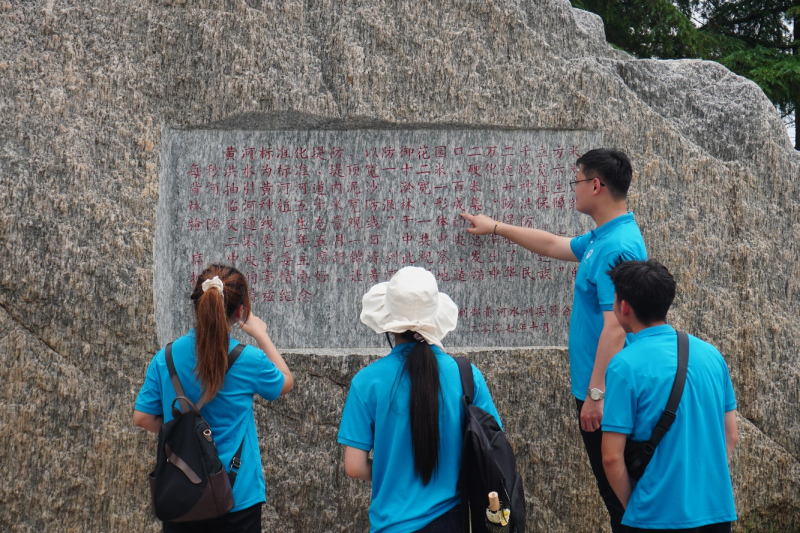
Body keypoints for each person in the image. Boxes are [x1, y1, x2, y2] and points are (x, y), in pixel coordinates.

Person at [461, 148, 646, 531]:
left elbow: (616, 326)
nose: (572, 188)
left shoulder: (618, 245)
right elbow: (554, 245)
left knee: (620, 493)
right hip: (599, 389)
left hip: (608, 392)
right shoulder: (603, 237)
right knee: (615, 490)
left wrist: (596, 395)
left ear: (596, 185)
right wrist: (496, 227)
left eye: (576, 180)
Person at [337, 266, 502, 533]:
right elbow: (491, 449)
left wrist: (394, 472)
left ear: (389, 322)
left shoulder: (366, 382)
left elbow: (354, 467)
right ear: (435, 318)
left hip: (391, 525)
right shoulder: (467, 376)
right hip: (455, 523)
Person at [133, 263, 293, 533]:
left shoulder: (165, 358)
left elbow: (142, 417)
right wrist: (261, 335)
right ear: (240, 311)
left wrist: (187, 434)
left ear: (198, 305)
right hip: (237, 495)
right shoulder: (249, 359)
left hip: (182, 494)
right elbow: (286, 382)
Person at [602, 259, 738, 532]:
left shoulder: (623, 366)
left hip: (655, 514)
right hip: (715, 511)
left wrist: (634, 507)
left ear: (624, 307)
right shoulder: (712, 355)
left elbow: (611, 457)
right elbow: (731, 434)